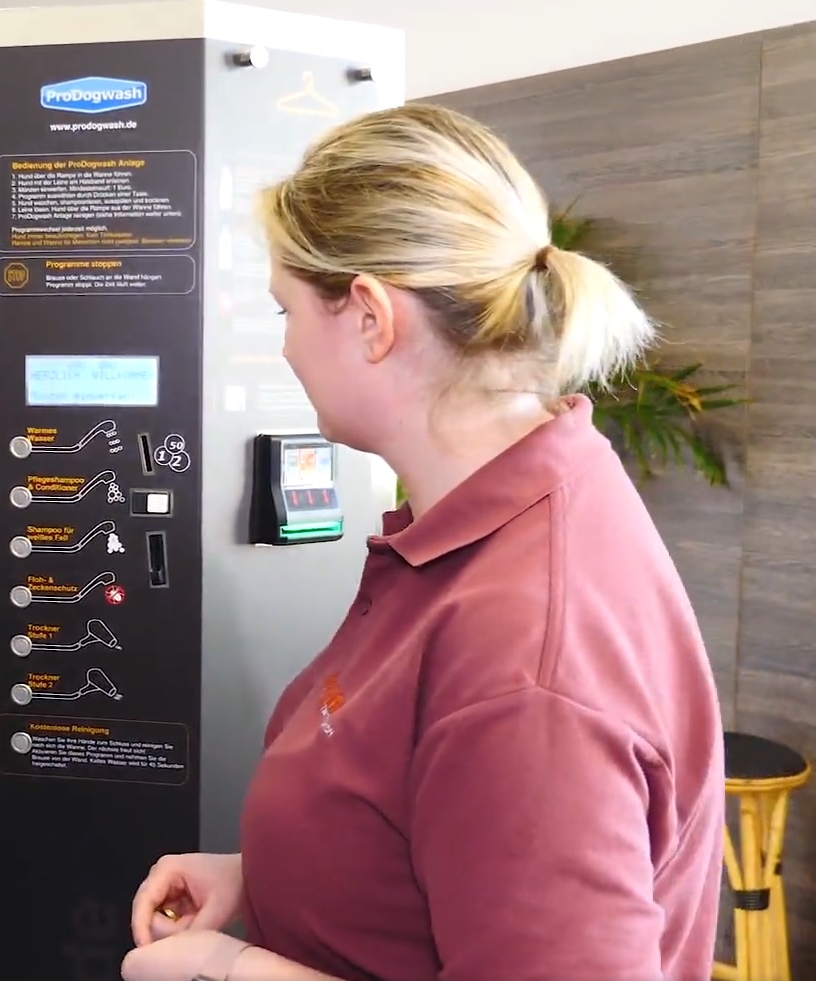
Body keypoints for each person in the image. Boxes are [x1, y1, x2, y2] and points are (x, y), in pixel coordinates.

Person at [123, 104, 725, 981]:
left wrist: (224, 969)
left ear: (370, 315)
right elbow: (458, 829)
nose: (284, 347)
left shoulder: (522, 656)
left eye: (286, 310)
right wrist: (272, 870)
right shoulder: (509, 512)